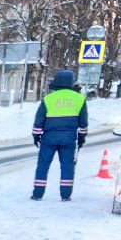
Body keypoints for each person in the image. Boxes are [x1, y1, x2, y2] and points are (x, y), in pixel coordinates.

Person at [31, 69, 88, 201]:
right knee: (67, 166)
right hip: (69, 139)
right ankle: (65, 195)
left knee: (43, 165)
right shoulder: (79, 99)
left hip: (48, 139)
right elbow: (83, 122)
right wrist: (82, 137)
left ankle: (37, 194)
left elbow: (39, 120)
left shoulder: (48, 99)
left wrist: (36, 135)